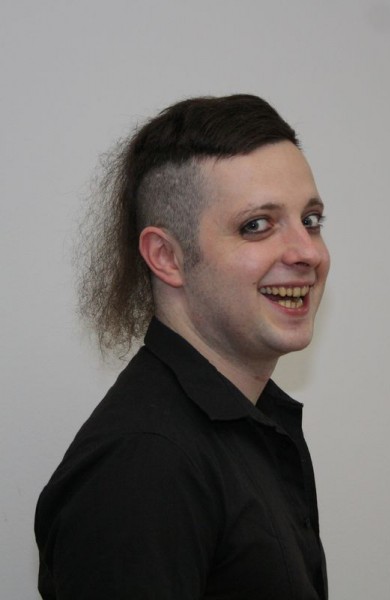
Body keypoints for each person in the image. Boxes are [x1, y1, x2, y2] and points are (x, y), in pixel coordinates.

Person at [35, 94, 330, 599]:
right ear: (167, 257)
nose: (307, 252)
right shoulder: (143, 466)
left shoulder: (254, 422)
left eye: (311, 220)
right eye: (256, 225)